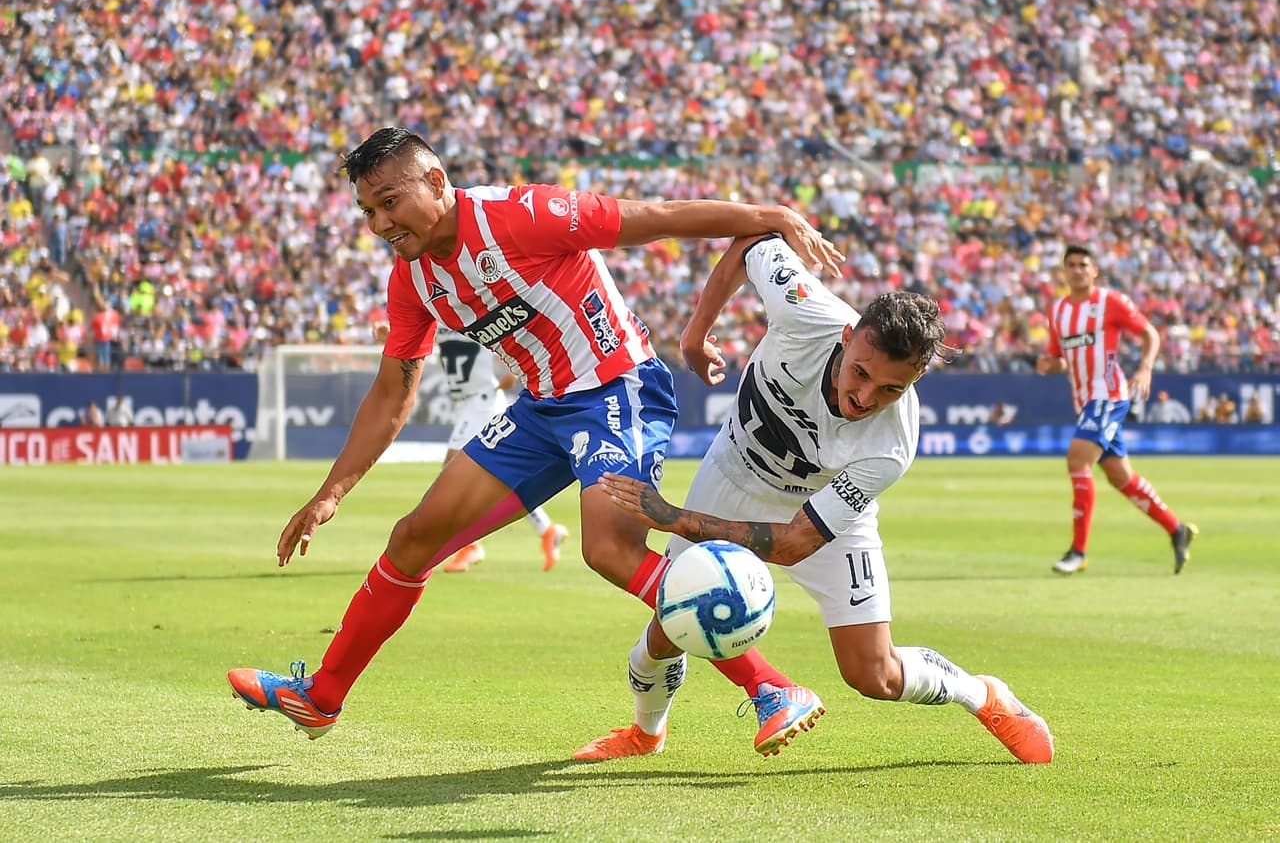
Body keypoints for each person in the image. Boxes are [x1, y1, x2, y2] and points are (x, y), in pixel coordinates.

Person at [226, 127, 844, 740]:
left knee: (608, 548)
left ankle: (770, 687)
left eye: (390, 202)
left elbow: (650, 217)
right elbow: (394, 391)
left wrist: (768, 215)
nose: (380, 223)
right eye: (368, 211)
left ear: (436, 182)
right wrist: (331, 492)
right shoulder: (411, 280)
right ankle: (322, 697)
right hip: (539, 411)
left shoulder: (521, 214)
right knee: (413, 539)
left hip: (617, 388)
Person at [574, 234, 1054, 764]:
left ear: (917, 379)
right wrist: (696, 333)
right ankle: (646, 733)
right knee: (672, 626)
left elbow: (793, 543)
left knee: (873, 675)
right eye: (862, 373)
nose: (864, 399)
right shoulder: (805, 309)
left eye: (891, 390)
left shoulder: (891, 444)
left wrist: (672, 517)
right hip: (733, 475)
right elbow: (751, 242)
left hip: (820, 514)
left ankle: (983, 695)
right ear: (848, 337)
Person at [1035, 245, 1197, 575]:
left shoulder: (1111, 302)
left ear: (1095, 270)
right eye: (1071, 265)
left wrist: (1145, 368)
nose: (1077, 270)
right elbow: (1059, 358)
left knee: (1077, 459)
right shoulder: (1058, 311)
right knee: (1120, 477)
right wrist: (1047, 364)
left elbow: (1149, 334)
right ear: (1064, 272)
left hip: (1108, 394)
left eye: (1083, 264)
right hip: (1084, 402)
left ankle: (1078, 552)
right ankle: (1176, 528)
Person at [374, 320, 570, 573]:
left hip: (482, 402)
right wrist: (390, 336)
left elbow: (513, 335)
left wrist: (513, 373)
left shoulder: (470, 315)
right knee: (499, 478)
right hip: (468, 404)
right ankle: (547, 529)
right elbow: (423, 340)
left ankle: (471, 546)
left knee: (452, 474)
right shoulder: (440, 317)